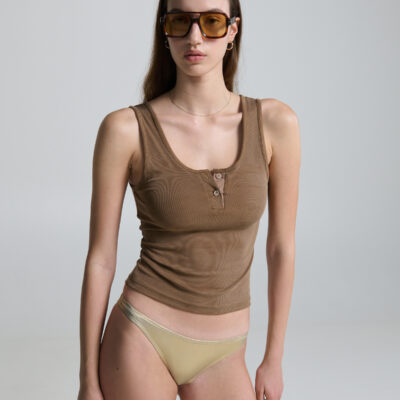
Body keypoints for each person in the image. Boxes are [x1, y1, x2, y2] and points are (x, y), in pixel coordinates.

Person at [78, 0, 300, 399]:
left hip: (226, 351)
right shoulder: (125, 129)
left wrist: (274, 357)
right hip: (143, 335)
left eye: (212, 22)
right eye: (180, 21)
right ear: (165, 31)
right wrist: (88, 382)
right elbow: (101, 258)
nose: (194, 37)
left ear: (232, 31)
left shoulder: (275, 123)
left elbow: (281, 248)